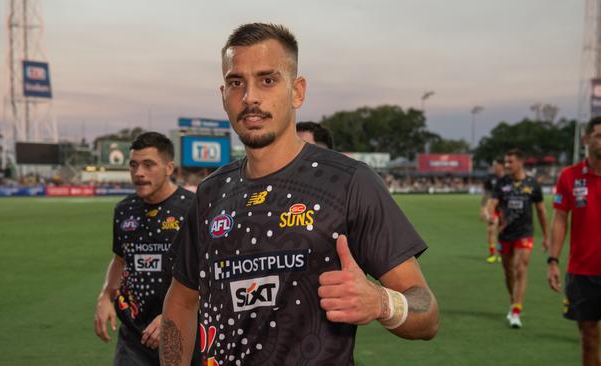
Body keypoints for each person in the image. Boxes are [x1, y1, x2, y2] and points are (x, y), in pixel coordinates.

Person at [159, 23, 439, 366]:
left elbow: (426, 311)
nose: (250, 98)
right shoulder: (210, 193)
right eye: (236, 83)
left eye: (267, 80)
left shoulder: (349, 182)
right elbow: (182, 301)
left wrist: (382, 303)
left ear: (297, 91)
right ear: (223, 95)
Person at [94, 132, 196, 365]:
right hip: (133, 336)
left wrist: (173, 317)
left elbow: (208, 273)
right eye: (133, 165)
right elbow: (120, 259)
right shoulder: (124, 209)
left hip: (181, 331)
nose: (139, 173)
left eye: (148, 165)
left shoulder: (193, 209)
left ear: (169, 168)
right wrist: (105, 297)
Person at [547, 116, 601, 366]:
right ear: (586, 139)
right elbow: (560, 220)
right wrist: (553, 260)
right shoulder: (569, 176)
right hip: (581, 271)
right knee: (588, 340)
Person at [486, 149, 549, 328]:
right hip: (505, 234)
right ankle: (514, 300)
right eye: (505, 162)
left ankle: (516, 311)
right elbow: (492, 204)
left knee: (520, 268)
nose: (506, 165)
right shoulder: (502, 182)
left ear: (520, 162)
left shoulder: (532, 184)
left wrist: (546, 236)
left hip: (525, 233)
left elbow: (541, 211)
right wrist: (491, 215)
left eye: (510, 162)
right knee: (508, 272)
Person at [481, 157, 505, 263]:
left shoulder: (508, 178)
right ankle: (492, 254)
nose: (494, 167)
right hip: (493, 208)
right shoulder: (490, 178)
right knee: (491, 230)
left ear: (501, 165)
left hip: (505, 208)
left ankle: (501, 253)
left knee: (502, 231)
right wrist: (483, 208)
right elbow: (486, 194)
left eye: (495, 165)